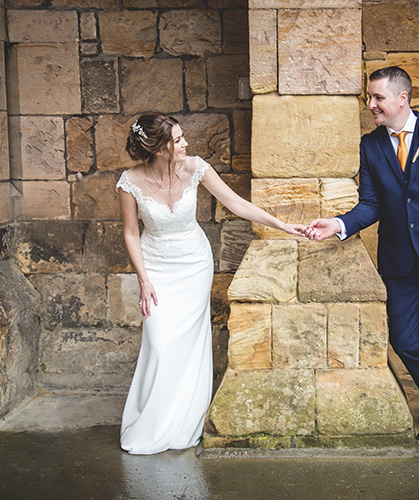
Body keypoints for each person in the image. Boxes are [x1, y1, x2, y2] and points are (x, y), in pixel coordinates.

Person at [306, 67, 419, 455]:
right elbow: (371, 204)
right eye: (370, 99)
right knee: (405, 341)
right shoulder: (370, 145)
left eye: (377, 99)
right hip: (400, 262)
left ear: (402, 99)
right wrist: (337, 224)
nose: (370, 105)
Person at [117, 114, 305, 455]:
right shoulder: (130, 182)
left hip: (194, 264)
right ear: (159, 149)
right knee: (160, 343)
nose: (185, 143)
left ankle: (184, 421)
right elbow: (131, 232)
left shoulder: (195, 168)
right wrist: (143, 281)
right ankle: (154, 421)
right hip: (156, 267)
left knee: (188, 344)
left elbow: (235, 203)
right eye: (178, 139)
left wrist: (282, 225)